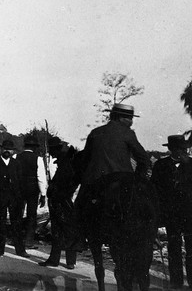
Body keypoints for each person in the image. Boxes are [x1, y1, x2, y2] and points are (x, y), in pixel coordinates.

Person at [75, 103, 151, 224]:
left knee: (79, 212)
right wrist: (137, 179)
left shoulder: (95, 132)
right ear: (119, 117)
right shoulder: (128, 133)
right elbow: (144, 159)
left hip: (94, 182)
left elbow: (85, 160)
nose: (131, 122)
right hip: (122, 182)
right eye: (128, 118)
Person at [150, 134, 192, 288]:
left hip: (190, 213)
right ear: (172, 150)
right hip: (171, 214)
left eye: (185, 149)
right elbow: (154, 190)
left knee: (191, 249)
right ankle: (176, 282)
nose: (184, 152)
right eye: (180, 149)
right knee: (174, 248)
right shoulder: (160, 165)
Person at [40, 135, 82, 269]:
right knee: (58, 230)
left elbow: (72, 182)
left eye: (52, 150)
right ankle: (61, 260)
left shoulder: (67, 164)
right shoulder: (66, 161)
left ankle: (67, 261)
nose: (51, 154)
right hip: (59, 200)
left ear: (56, 149)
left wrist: (59, 191)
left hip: (63, 201)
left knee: (66, 230)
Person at [0, 139, 28, 257]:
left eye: (9, 149)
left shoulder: (16, 164)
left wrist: (20, 198)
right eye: (5, 149)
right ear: (1, 149)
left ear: (12, 151)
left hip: (14, 199)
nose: (7, 151)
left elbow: (20, 182)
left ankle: (20, 250)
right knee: (0, 224)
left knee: (17, 224)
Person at [19, 132, 47, 247]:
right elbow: (41, 178)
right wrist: (43, 194)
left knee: (18, 214)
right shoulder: (38, 159)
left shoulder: (16, 157)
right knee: (31, 215)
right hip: (32, 189)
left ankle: (18, 239)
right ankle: (29, 241)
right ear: (34, 147)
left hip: (19, 189)